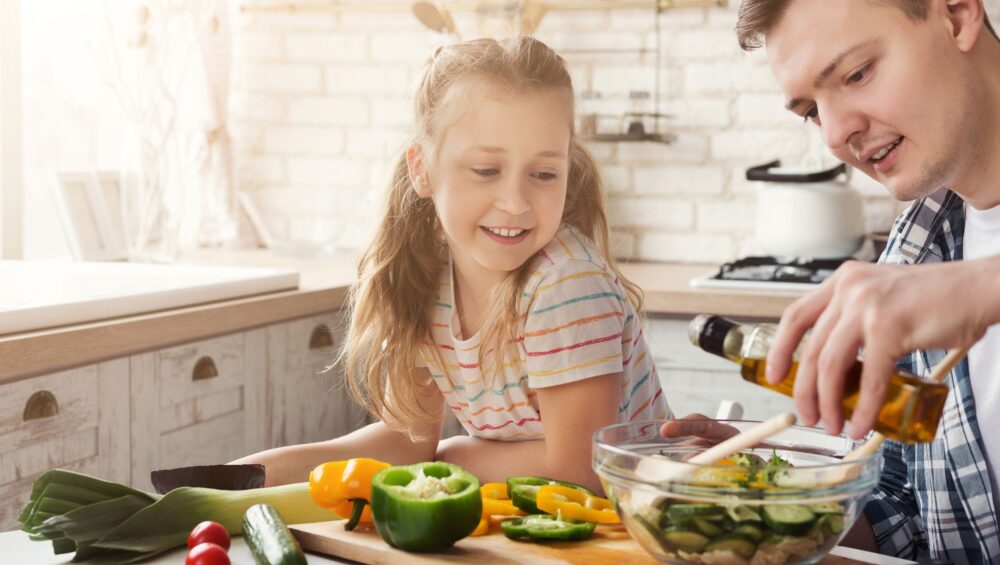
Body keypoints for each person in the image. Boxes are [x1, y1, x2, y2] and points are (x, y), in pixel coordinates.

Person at [231, 36, 670, 495]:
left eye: (543, 174)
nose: (515, 202)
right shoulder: (429, 276)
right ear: (422, 169)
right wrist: (267, 470)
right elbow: (408, 442)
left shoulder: (564, 284)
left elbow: (581, 470)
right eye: (485, 170)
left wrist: (457, 456)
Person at [673, 0, 1000, 561]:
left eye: (856, 74)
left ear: (957, 12)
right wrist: (784, 497)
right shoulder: (917, 248)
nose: (834, 133)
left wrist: (981, 287)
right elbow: (909, 510)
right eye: (810, 111)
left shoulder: (948, 284)